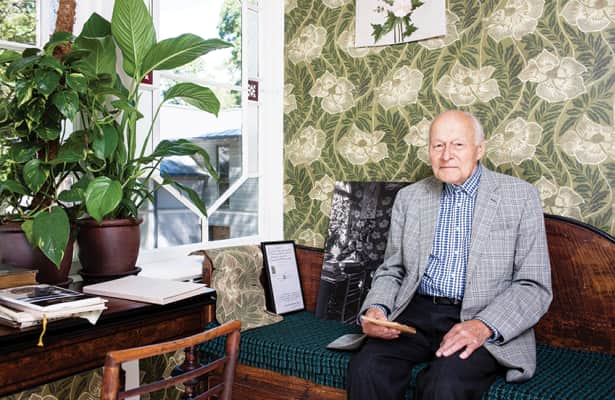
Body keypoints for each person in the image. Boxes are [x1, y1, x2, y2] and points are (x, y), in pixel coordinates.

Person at [347, 110, 552, 400]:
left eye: (458, 144)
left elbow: (534, 286)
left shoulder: (520, 196)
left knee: (444, 384)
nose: (446, 155)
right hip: (414, 314)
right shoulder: (410, 197)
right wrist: (376, 309)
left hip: (480, 315)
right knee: (366, 369)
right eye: (438, 145)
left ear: (479, 149)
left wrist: (483, 326)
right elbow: (393, 269)